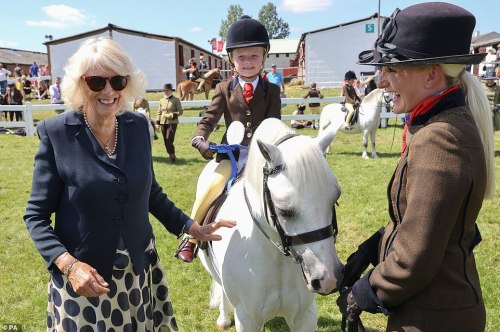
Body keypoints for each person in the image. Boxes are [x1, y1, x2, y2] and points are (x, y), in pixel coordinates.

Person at [23, 37, 235, 331]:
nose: (108, 91)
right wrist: (69, 265)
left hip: (137, 271)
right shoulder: (56, 133)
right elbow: (35, 216)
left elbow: (150, 193)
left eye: (118, 81)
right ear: (80, 84)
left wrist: (191, 227)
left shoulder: (137, 127)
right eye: (96, 82)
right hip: (86, 278)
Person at [337, 3, 495, 332]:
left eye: (392, 70)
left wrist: (364, 293)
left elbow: (414, 260)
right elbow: (430, 222)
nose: (381, 81)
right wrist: (376, 245)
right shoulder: (437, 125)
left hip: (433, 318)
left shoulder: (439, 140)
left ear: (431, 74)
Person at [174, 15, 282, 262]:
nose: (247, 62)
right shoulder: (223, 89)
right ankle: (190, 238)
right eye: (241, 57)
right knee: (210, 186)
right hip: (232, 155)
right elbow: (209, 119)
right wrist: (200, 138)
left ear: (264, 57)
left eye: (254, 56)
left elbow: (274, 124)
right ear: (232, 60)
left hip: (262, 153)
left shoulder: (272, 91)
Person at [156, 83, 183, 162]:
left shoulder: (176, 100)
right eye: (165, 90)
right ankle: (171, 155)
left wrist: (172, 114)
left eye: (167, 90)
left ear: (171, 91)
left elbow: (180, 111)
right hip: (163, 123)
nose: (166, 92)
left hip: (172, 123)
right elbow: (159, 112)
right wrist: (157, 123)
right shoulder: (161, 100)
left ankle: (172, 157)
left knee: (169, 140)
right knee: (165, 141)